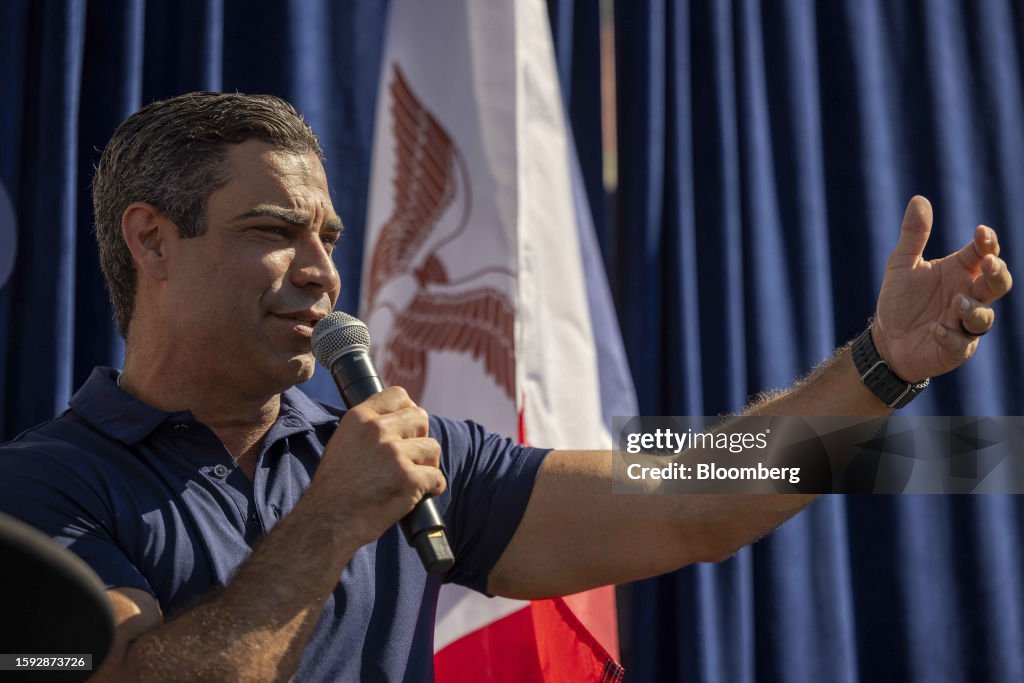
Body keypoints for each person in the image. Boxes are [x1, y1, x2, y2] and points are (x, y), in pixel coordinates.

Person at [0, 92, 1012, 682]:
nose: (320, 269)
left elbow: (692, 496)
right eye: (272, 231)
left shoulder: (404, 453)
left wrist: (878, 365)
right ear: (150, 239)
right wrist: (331, 522)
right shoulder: (40, 491)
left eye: (329, 238)